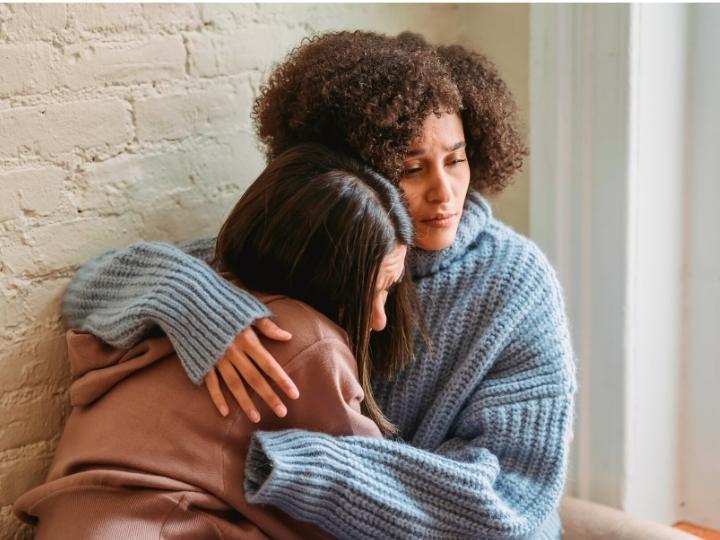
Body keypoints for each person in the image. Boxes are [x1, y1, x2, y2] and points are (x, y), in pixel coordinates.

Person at [59, 31, 577, 539]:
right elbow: (89, 292)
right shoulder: (321, 242)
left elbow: (513, 500)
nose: (445, 192)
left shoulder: (517, 285)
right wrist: (195, 304)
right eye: (412, 168)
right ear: (355, 170)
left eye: (456, 159)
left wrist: (307, 466)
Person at [13, 144, 418, 539]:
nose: (380, 319)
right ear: (326, 275)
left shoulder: (204, 280)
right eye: (377, 290)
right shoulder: (307, 340)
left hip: (74, 518)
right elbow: (370, 499)